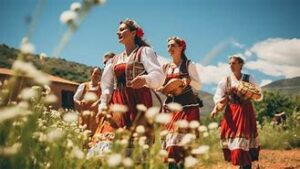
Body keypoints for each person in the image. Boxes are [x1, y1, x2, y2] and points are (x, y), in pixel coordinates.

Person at [90, 18, 164, 152]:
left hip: (139, 104)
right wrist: (103, 105)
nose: (118, 33)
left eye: (122, 29)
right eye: (118, 30)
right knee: (107, 142)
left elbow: (158, 75)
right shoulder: (114, 60)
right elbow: (107, 86)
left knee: (136, 149)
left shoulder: (144, 52)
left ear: (133, 33)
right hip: (117, 105)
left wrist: (145, 79)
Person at [211, 55, 262, 169]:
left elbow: (258, 94)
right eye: (230, 63)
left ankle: (246, 166)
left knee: (243, 142)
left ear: (241, 65)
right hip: (231, 113)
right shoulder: (225, 80)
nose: (231, 65)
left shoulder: (249, 79)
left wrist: (248, 93)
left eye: (234, 63)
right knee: (234, 143)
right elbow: (219, 97)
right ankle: (244, 166)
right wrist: (216, 108)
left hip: (245, 112)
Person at [160, 36, 201, 168]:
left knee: (182, 146)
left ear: (181, 47)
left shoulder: (189, 64)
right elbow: (160, 86)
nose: (169, 48)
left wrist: (189, 81)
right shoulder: (166, 67)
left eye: (173, 45)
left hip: (187, 108)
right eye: (168, 46)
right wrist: (164, 88)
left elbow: (198, 86)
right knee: (170, 146)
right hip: (171, 108)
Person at [73, 67, 102, 136]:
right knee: (83, 133)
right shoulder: (83, 85)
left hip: (95, 115)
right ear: (91, 73)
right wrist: (79, 102)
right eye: (95, 73)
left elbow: (103, 97)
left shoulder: (101, 86)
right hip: (84, 113)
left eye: (99, 74)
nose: (97, 75)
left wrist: (97, 102)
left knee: (94, 133)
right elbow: (75, 97)